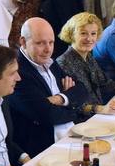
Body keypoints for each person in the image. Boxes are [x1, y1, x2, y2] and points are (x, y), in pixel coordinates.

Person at [10, 18, 88, 156]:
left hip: (71, 135)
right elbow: (47, 115)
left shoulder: (48, 62)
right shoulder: (17, 71)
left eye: (51, 43)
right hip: (44, 147)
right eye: (40, 43)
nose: (48, 50)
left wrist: (59, 98)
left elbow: (82, 89)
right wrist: (73, 107)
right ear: (23, 41)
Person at [57, 12, 115, 119]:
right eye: (83, 33)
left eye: (93, 34)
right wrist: (100, 109)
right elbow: (71, 103)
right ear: (71, 34)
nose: (89, 39)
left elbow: (105, 84)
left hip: (97, 115)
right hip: (81, 122)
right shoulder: (63, 63)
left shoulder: (88, 57)